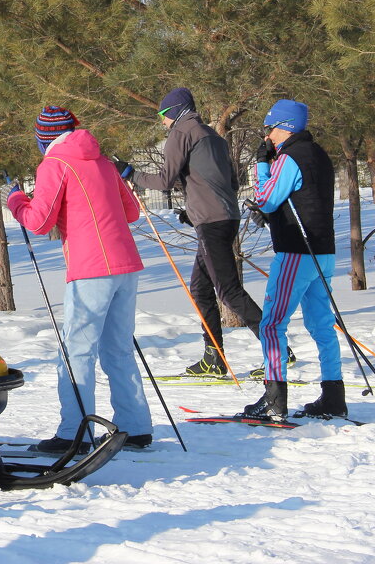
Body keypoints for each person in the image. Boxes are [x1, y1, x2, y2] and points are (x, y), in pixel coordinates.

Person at [7, 106, 153, 453]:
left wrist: (15, 200)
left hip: (91, 268)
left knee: (77, 351)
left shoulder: (55, 164)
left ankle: (74, 432)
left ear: (43, 137)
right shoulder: (102, 161)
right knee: (117, 348)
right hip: (126, 263)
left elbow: (39, 222)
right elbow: (131, 211)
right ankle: (135, 427)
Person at [117, 88, 291, 377]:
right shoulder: (214, 137)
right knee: (200, 288)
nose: (161, 121)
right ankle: (214, 358)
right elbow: (230, 183)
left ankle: (278, 351)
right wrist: (195, 209)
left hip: (211, 221)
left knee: (229, 292)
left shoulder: (181, 133)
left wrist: (129, 173)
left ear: (174, 111)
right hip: (224, 217)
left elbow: (164, 181)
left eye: (162, 114)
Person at [244, 99, 343, 420]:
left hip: (295, 254)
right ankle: (333, 396)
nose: (268, 136)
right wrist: (273, 218)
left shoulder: (289, 158)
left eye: (270, 129)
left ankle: (274, 399)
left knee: (272, 325)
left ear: (284, 126)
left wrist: (262, 164)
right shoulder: (319, 155)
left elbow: (266, 198)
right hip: (323, 252)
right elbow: (304, 201)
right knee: (322, 325)